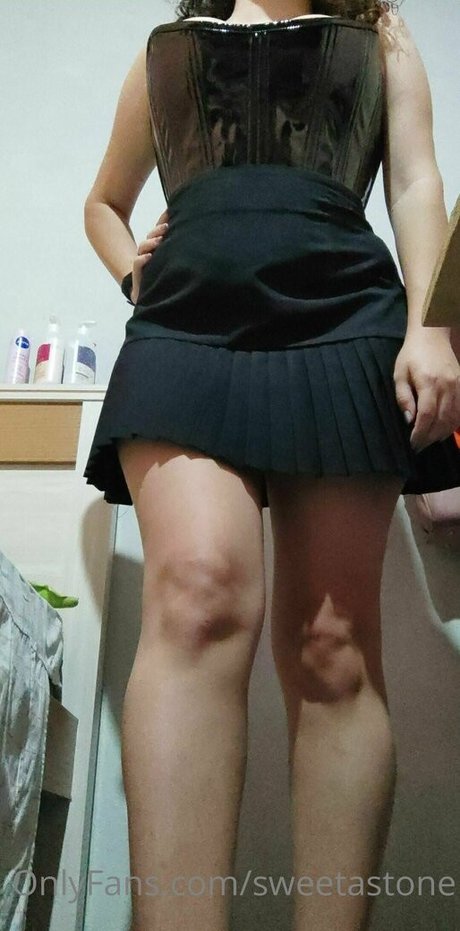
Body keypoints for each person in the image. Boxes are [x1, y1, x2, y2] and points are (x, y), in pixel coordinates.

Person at [83, 1, 460, 929]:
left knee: (333, 646)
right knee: (197, 598)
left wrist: (432, 328)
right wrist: (134, 270)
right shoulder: (167, 48)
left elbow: (416, 183)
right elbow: (103, 202)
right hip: (184, 327)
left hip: (346, 320)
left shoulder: (381, 35)